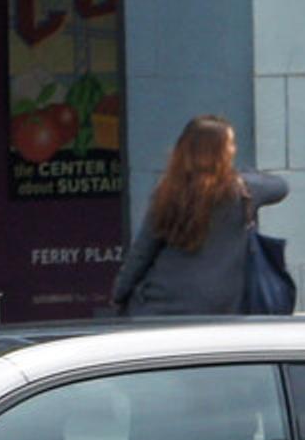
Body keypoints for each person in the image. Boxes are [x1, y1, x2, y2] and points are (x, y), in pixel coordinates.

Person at [112, 115, 289, 316]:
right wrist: (243, 173)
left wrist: (119, 294)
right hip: (219, 308)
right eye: (230, 144)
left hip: (159, 304)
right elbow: (280, 186)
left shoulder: (168, 190)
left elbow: (143, 251)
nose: (234, 150)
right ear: (219, 152)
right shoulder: (243, 190)